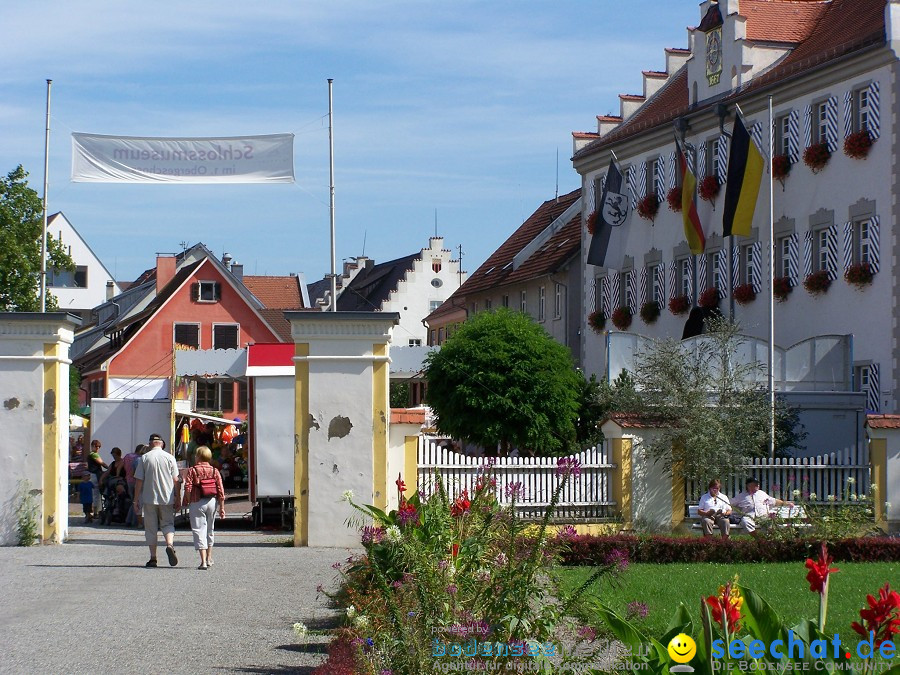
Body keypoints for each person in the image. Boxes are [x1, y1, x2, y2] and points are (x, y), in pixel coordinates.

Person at [134, 433, 181, 567]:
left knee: (151, 528)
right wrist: (178, 497)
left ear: (150, 444)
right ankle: (170, 544)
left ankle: (153, 558)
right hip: (167, 497)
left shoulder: (144, 458)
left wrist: (135, 500)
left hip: (149, 498)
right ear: (162, 443)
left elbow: (139, 481)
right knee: (167, 524)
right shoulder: (170, 458)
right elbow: (176, 480)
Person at [182, 446, 225, 570]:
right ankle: (209, 558)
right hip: (212, 501)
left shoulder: (192, 470)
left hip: (197, 501)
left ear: (199, 456)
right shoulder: (214, 470)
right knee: (209, 529)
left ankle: (203, 561)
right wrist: (222, 507)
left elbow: (188, 487)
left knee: (199, 530)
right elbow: (220, 490)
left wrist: (188, 501)